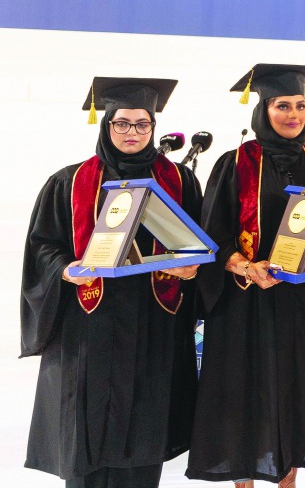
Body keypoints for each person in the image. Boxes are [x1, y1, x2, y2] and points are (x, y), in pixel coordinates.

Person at [187, 64, 305, 488]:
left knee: (293, 394)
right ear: (263, 110)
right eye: (283, 106)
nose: (293, 115)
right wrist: (246, 266)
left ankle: (288, 481)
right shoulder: (235, 163)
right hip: (243, 303)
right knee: (242, 398)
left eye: (300, 106)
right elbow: (212, 235)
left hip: (301, 306)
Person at [21, 77, 203, 488]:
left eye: (142, 124)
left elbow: (201, 243)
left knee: (144, 428)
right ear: (107, 125)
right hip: (89, 326)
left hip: (154, 324)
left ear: (153, 127)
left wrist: (192, 270)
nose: (132, 132)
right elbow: (42, 246)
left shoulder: (181, 182)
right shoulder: (69, 182)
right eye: (122, 123)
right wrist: (66, 269)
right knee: (85, 434)